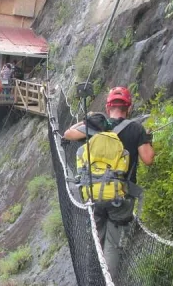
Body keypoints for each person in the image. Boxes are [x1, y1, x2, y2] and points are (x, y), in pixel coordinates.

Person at [63, 86, 154, 271]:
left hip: (93, 192)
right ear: (129, 108)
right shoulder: (136, 129)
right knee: (113, 245)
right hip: (121, 196)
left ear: (107, 107)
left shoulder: (97, 125)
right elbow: (148, 159)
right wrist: (147, 139)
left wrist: (84, 121)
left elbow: (68, 134)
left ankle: (93, 280)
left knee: (96, 238)